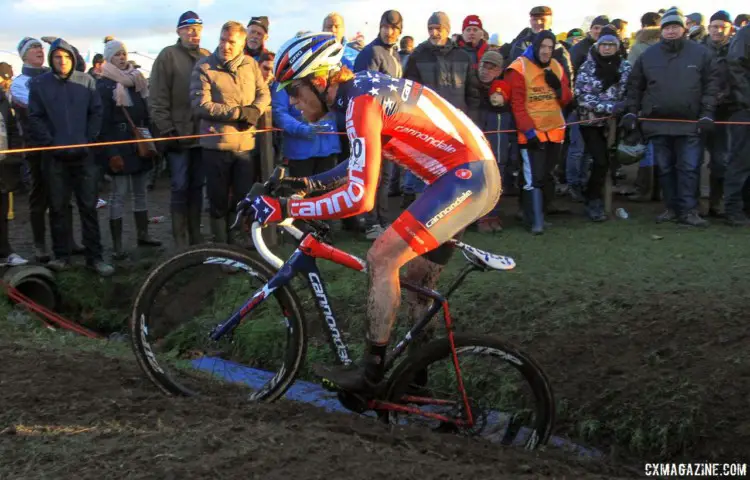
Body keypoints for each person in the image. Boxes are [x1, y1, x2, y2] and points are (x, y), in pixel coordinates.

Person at [253, 32, 501, 394]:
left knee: (381, 257)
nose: (293, 103)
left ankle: (370, 375)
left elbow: (360, 198)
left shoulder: (360, 102)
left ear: (320, 81)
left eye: (295, 91)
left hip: (467, 179)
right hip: (466, 176)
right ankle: (416, 381)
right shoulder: (361, 91)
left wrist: (287, 208)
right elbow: (357, 166)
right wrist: (303, 184)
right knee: (416, 280)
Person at [96, 38, 161, 258]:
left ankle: (143, 235)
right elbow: (102, 121)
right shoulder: (104, 85)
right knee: (119, 195)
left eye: (123, 54)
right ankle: (117, 246)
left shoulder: (137, 80)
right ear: (109, 58)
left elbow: (145, 111)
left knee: (141, 193)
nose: (122, 58)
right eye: (116, 55)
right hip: (118, 144)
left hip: (138, 143)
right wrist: (111, 152)